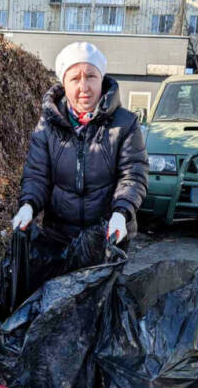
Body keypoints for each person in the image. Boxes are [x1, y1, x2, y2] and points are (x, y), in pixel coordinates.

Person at [13, 41, 147, 247]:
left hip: (108, 234)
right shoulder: (48, 125)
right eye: (75, 78)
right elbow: (37, 175)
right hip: (58, 235)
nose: (84, 87)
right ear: (64, 84)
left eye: (91, 76)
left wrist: (121, 213)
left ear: (101, 79)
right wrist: (28, 205)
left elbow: (133, 175)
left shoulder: (125, 123)